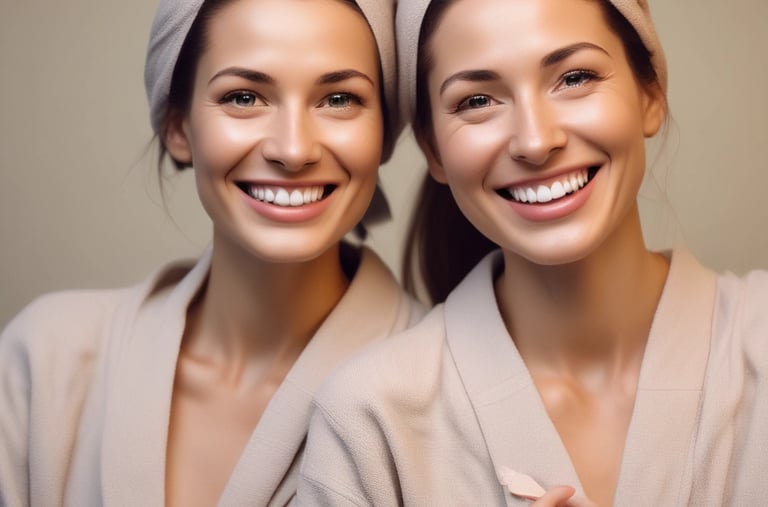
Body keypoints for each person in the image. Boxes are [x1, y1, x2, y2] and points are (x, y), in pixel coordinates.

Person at [297, 0, 768, 505]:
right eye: (477, 100)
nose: (536, 141)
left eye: (575, 78)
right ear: (434, 151)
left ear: (650, 93)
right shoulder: (366, 422)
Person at [0, 0, 424, 505]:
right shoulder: (45, 361)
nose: (293, 150)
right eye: (244, 97)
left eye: (338, 99)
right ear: (178, 127)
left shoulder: (441, 384)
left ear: (382, 133)